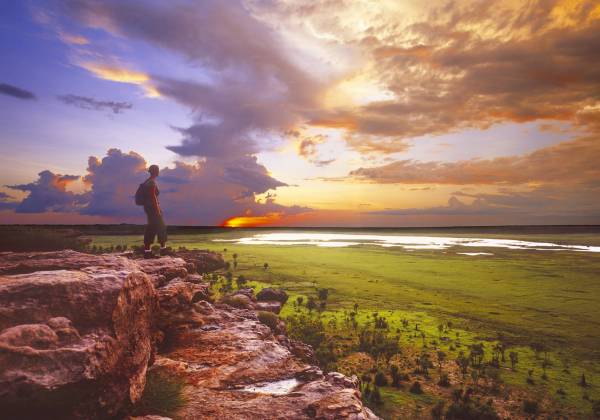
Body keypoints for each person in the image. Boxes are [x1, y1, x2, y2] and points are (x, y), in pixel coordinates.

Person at [142, 165, 169, 258]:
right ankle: (161, 250)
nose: (158, 171)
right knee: (159, 226)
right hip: (153, 208)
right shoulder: (151, 182)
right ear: (155, 171)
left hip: (149, 207)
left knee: (153, 226)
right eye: (157, 170)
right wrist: (158, 210)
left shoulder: (148, 181)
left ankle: (148, 251)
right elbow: (153, 196)